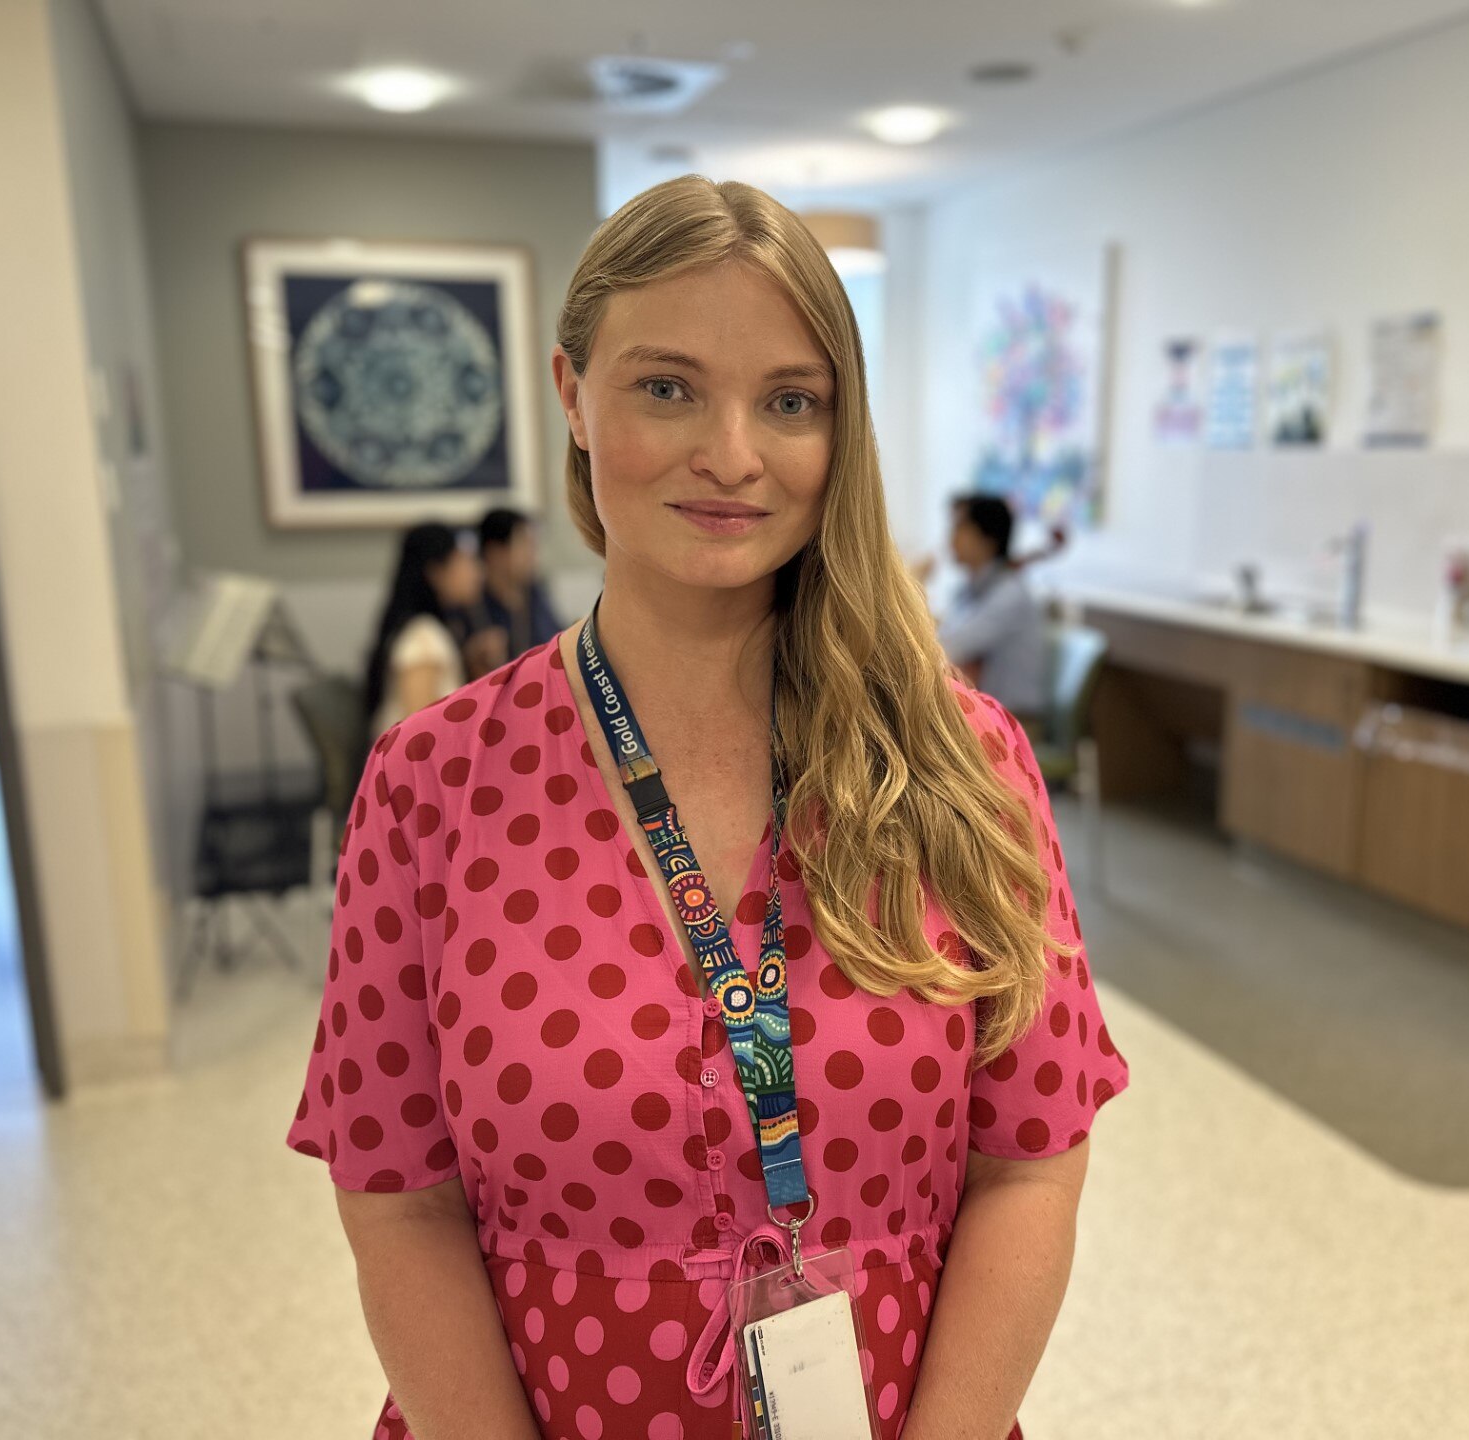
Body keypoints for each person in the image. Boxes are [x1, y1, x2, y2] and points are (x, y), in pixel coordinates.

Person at [286, 175, 1129, 1440]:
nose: (731, 454)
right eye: (667, 386)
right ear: (572, 393)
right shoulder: (434, 783)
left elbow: (1032, 1160)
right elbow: (400, 1196)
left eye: (790, 402)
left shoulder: (964, 764)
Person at [360, 523, 481, 743]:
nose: (476, 571)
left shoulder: (430, 629)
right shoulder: (423, 640)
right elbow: (418, 740)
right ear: (436, 572)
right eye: (464, 560)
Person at [936, 493, 1049, 723]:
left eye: (960, 527)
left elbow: (946, 649)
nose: (951, 538)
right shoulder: (968, 590)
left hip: (1015, 723)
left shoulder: (1010, 595)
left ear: (987, 538)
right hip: (986, 716)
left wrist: (911, 587)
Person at [477, 506, 563, 661]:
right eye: (525, 544)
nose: (532, 554)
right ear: (495, 552)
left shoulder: (535, 594)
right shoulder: (474, 606)